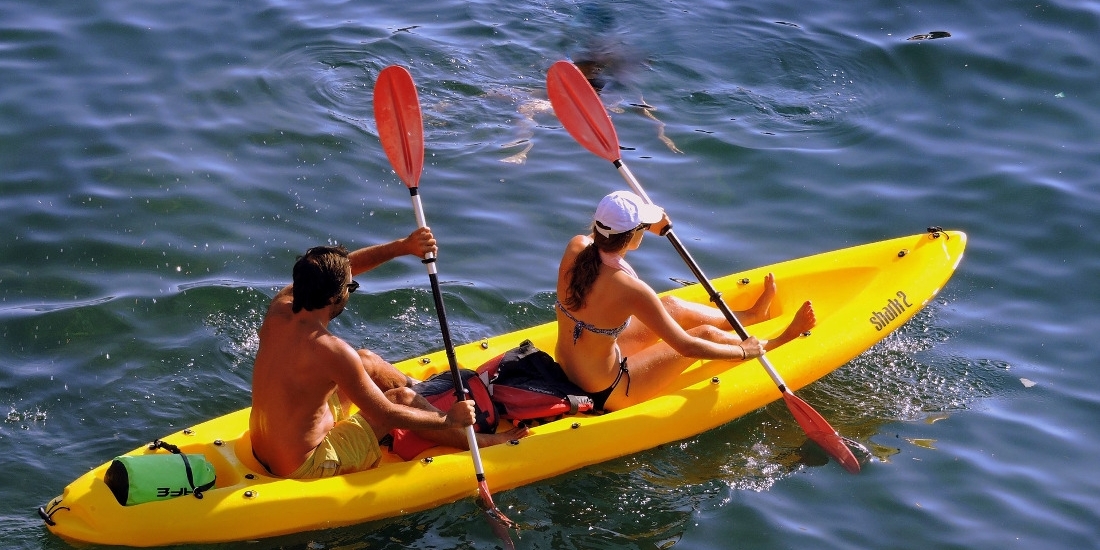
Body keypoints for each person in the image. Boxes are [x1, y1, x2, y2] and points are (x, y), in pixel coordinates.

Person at [249, 228, 525, 478]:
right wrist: (448, 419)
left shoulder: (281, 308)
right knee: (402, 398)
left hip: (263, 447)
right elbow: (387, 414)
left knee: (366, 360)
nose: (351, 289)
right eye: (350, 287)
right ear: (335, 297)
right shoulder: (332, 351)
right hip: (305, 464)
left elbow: (343, 270)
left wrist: (403, 246)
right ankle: (477, 440)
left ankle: (426, 393)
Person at [554, 191, 817, 411]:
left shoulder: (576, 246)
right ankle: (772, 344)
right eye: (643, 227)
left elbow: (603, 246)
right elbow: (687, 346)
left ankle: (751, 315)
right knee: (705, 334)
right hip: (608, 390)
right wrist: (743, 351)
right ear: (633, 234)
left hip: (569, 369)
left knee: (673, 306)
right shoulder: (631, 289)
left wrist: (645, 225)